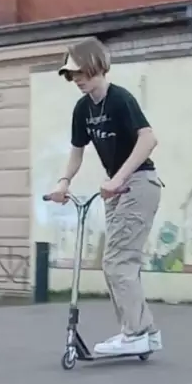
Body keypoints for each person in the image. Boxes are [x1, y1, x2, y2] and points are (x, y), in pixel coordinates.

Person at [48, 36, 163, 356]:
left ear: (95, 66)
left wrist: (117, 179)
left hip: (139, 184)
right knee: (117, 263)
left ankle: (135, 333)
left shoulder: (120, 99)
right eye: (71, 74)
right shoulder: (83, 109)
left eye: (80, 72)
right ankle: (147, 333)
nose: (76, 79)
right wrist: (63, 183)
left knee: (118, 262)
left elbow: (148, 140)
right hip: (116, 189)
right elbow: (77, 151)